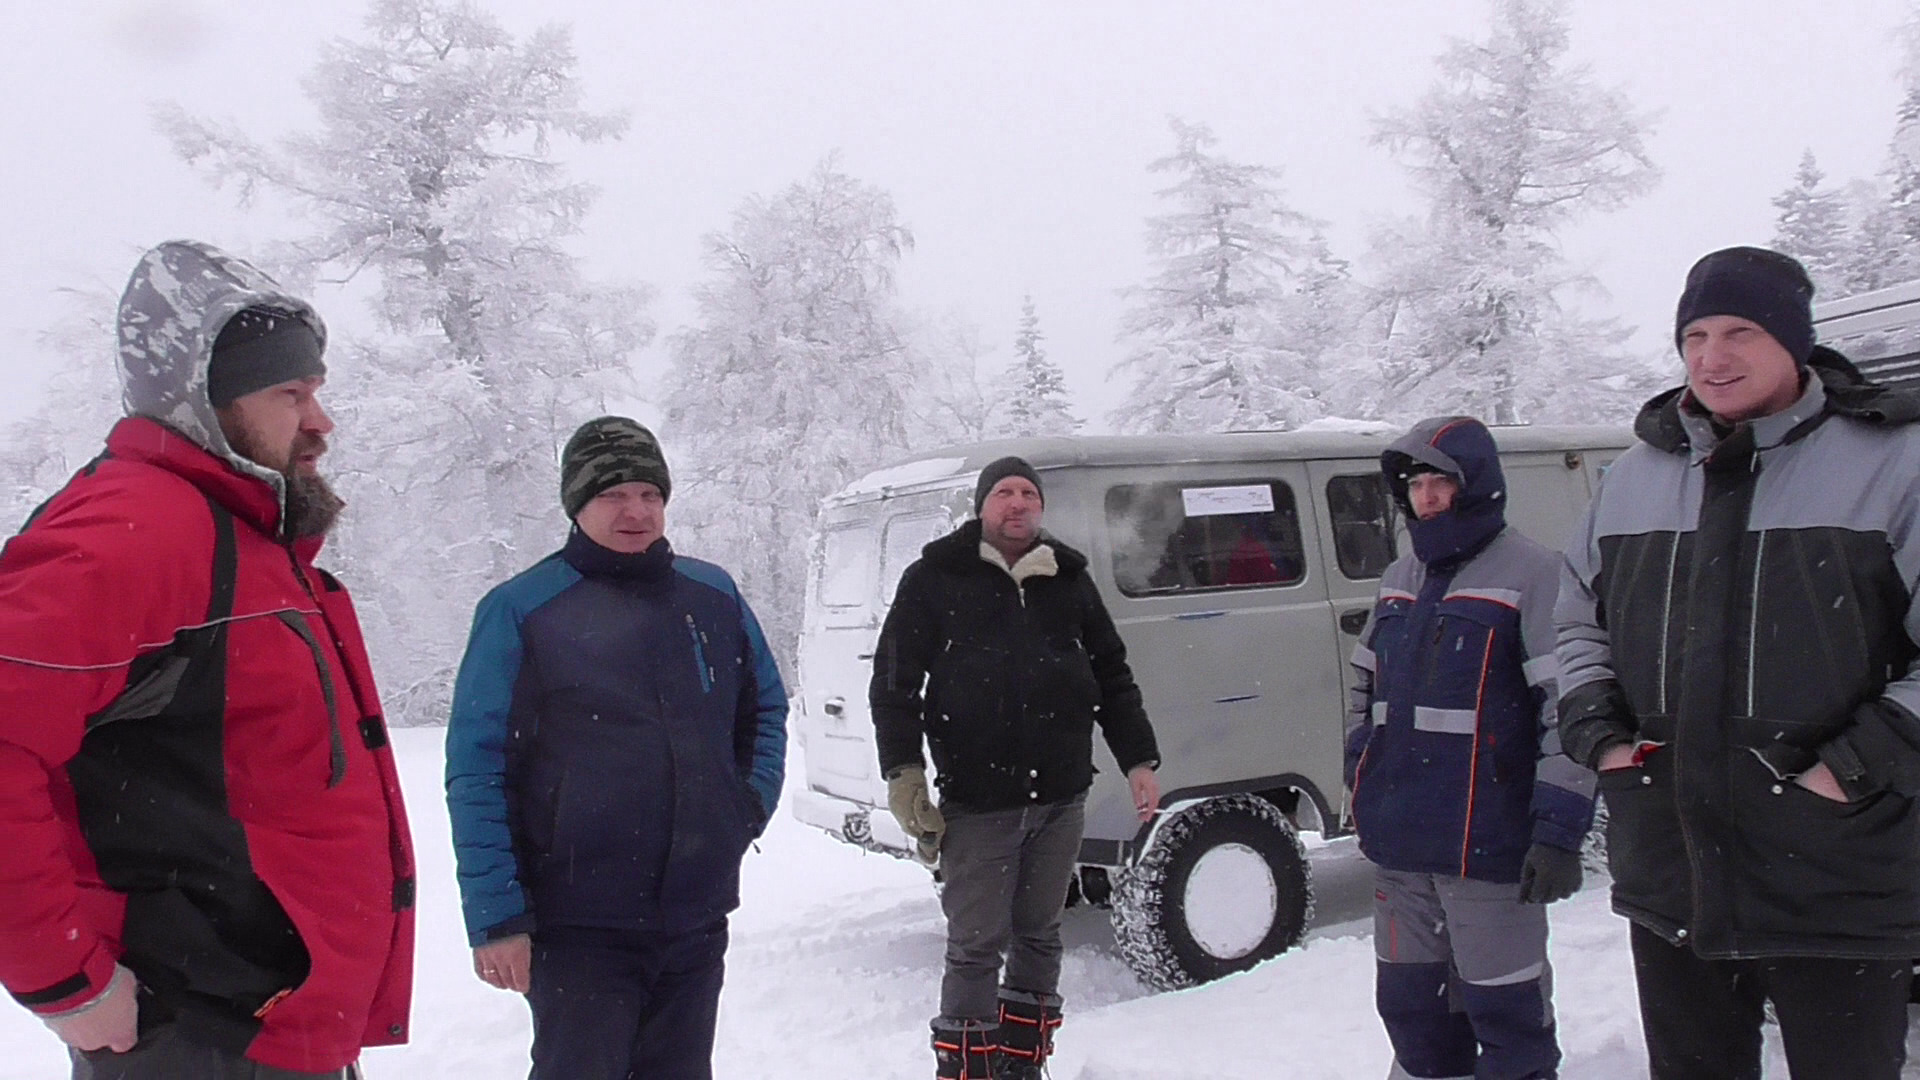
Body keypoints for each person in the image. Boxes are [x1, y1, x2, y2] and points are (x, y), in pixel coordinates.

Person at [0, 240, 415, 1079]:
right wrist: (65, 981)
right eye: (289, 393)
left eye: (316, 391)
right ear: (202, 402)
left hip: (268, 1023)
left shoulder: (246, 539)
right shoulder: (137, 531)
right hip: (197, 1033)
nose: (320, 420)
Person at [1557, 246, 1920, 1080]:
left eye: (1740, 332)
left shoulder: (1893, 463)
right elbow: (1577, 622)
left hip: (1837, 876)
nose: (1712, 359)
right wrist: (1600, 734)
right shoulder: (1635, 476)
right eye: (1694, 337)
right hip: (1673, 879)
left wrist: (1847, 771)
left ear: (1794, 340)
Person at [445, 416, 787, 1080]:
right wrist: (496, 917)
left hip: (694, 914)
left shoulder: (711, 595)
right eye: (612, 495)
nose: (635, 511)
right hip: (579, 924)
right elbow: (478, 768)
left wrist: (742, 808)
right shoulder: (524, 609)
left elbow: (765, 707)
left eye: (649, 494)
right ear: (577, 504)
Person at [870, 456, 1162, 1080]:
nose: (1018, 502)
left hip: (1061, 796)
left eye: (1029, 493)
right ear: (982, 506)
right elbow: (894, 683)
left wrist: (1138, 758)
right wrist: (903, 771)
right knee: (975, 949)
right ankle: (969, 1072)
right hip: (979, 801)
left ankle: (1024, 1068)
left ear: (1041, 509)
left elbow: (1112, 674)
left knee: (1039, 937)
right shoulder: (934, 578)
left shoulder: (1069, 579)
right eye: (1004, 491)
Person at [1346, 417, 1592, 1080]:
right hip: (1402, 851)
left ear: (1476, 484)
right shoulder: (1399, 575)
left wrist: (1560, 826)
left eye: (1440, 483)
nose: (1425, 497)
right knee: (1412, 1014)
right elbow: (1364, 686)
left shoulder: (1534, 573)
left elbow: (1567, 710)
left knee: (1506, 1015)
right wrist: (1360, 770)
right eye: (1416, 485)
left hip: (1488, 847)